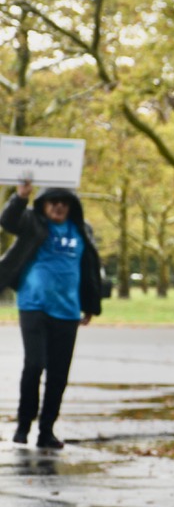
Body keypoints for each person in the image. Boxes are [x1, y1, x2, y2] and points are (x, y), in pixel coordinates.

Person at [1, 179, 103, 449]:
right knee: (35, 364)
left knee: (58, 374)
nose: (58, 207)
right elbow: (8, 221)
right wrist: (20, 196)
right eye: (52, 202)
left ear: (71, 206)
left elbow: (89, 269)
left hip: (68, 311)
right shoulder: (33, 223)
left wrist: (91, 305)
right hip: (34, 304)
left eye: (64, 203)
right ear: (43, 205)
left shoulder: (82, 231)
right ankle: (23, 426)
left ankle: (46, 430)